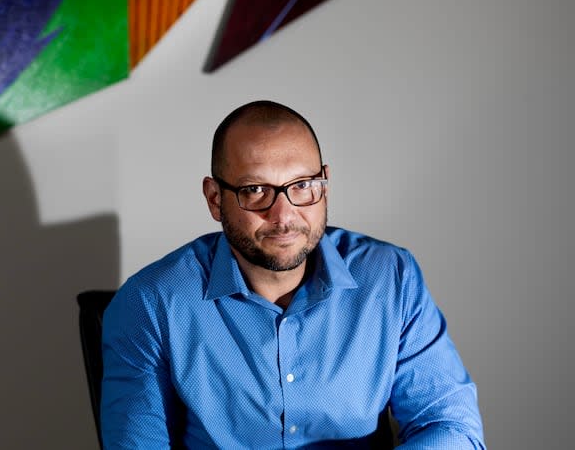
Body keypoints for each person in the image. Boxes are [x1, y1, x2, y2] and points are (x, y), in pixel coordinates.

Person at [101, 100, 485, 449]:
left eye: (302, 186)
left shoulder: (390, 278)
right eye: (255, 190)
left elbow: (450, 424)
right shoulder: (151, 302)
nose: (284, 216)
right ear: (216, 199)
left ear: (324, 183)